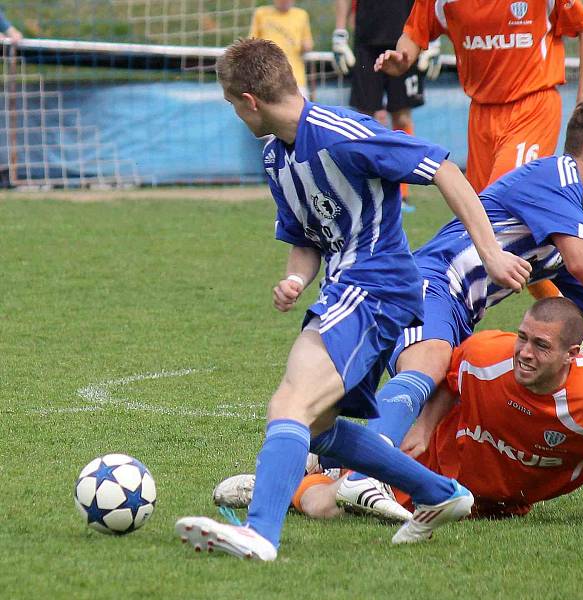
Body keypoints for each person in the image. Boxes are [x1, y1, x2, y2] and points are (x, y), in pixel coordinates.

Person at [215, 97, 583, 522]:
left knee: (418, 442)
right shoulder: (555, 178)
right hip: (429, 285)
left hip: (457, 313)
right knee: (429, 364)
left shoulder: (576, 221)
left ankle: (300, 475)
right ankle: (360, 477)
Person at [174, 38, 531, 562]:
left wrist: (492, 252)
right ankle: (442, 494)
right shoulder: (277, 156)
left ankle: (260, 535)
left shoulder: (344, 134)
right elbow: (306, 237)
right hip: (345, 289)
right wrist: (295, 279)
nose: (234, 112)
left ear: (250, 100)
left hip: (376, 287)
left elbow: (445, 169)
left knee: (290, 401)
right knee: (316, 427)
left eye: (232, 103)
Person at [215, 298, 583, 527]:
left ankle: (309, 466)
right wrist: (423, 423)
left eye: (541, 346)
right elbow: (447, 375)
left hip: (494, 503)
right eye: (523, 337)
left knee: (339, 492)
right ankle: (285, 482)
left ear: (572, 354)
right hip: (431, 464)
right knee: (325, 507)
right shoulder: (486, 353)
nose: (523, 352)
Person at [375, 0, 583, 324]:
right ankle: (569, 321)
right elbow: (414, 34)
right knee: (483, 228)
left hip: (533, 105)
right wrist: (402, 59)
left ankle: (577, 317)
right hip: (481, 114)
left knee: (506, 221)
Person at [331, 0, 441, 211]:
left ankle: (402, 193)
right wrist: (339, 31)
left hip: (407, 42)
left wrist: (432, 37)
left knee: (402, 117)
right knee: (363, 119)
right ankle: (363, 189)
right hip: (366, 42)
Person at [249, 0, 313, 96]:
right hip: (267, 77)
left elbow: (308, 43)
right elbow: (251, 42)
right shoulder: (261, 13)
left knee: (298, 109)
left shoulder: (301, 15)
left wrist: (306, 46)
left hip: (295, 78)